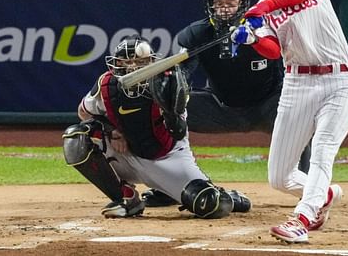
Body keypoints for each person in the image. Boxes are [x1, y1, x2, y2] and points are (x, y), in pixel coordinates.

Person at [226, 0, 348, 243]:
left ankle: (302, 217)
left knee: (322, 151)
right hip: (297, 85)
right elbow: (273, 51)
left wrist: (263, 8)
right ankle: (322, 194)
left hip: (339, 81)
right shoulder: (261, 13)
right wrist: (251, 37)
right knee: (279, 176)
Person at [142, 0, 311, 207]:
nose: (224, 9)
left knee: (299, 111)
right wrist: (171, 92)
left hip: (269, 105)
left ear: (243, 4)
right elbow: (181, 74)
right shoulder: (196, 34)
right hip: (221, 108)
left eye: (230, 3)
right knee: (164, 110)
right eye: (218, 3)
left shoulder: (265, 29)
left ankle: (308, 188)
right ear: (209, 5)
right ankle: (170, 186)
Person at [62, 34, 251, 219]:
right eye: (126, 62)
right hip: (127, 154)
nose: (132, 68)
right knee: (76, 139)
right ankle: (126, 199)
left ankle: (230, 198)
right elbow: (84, 112)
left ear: (151, 63)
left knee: (209, 204)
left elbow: (177, 131)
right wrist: (114, 132)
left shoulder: (169, 82)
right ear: (116, 65)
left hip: (167, 158)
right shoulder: (107, 84)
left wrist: (169, 109)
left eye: (139, 62)